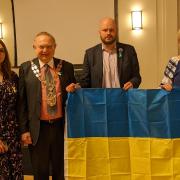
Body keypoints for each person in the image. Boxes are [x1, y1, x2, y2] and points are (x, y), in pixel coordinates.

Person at [18, 32, 76, 180]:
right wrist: (24, 130)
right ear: (34, 47)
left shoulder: (67, 67)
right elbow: (22, 102)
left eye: (49, 46)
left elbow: (75, 94)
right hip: (37, 130)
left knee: (61, 170)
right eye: (41, 47)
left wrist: (75, 88)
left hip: (60, 128)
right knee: (40, 171)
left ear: (55, 47)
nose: (45, 50)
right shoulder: (25, 68)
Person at [80, 17, 141, 90]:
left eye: (111, 30)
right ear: (99, 32)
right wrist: (77, 86)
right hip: (100, 100)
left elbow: (136, 77)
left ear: (116, 31)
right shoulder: (90, 54)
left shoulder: (129, 50)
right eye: (105, 30)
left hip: (123, 98)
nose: (108, 33)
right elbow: (85, 82)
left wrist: (132, 83)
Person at [0, 40, 23, 179]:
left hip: (12, 132)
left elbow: (19, 105)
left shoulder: (12, 76)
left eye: (1, 50)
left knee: (15, 171)